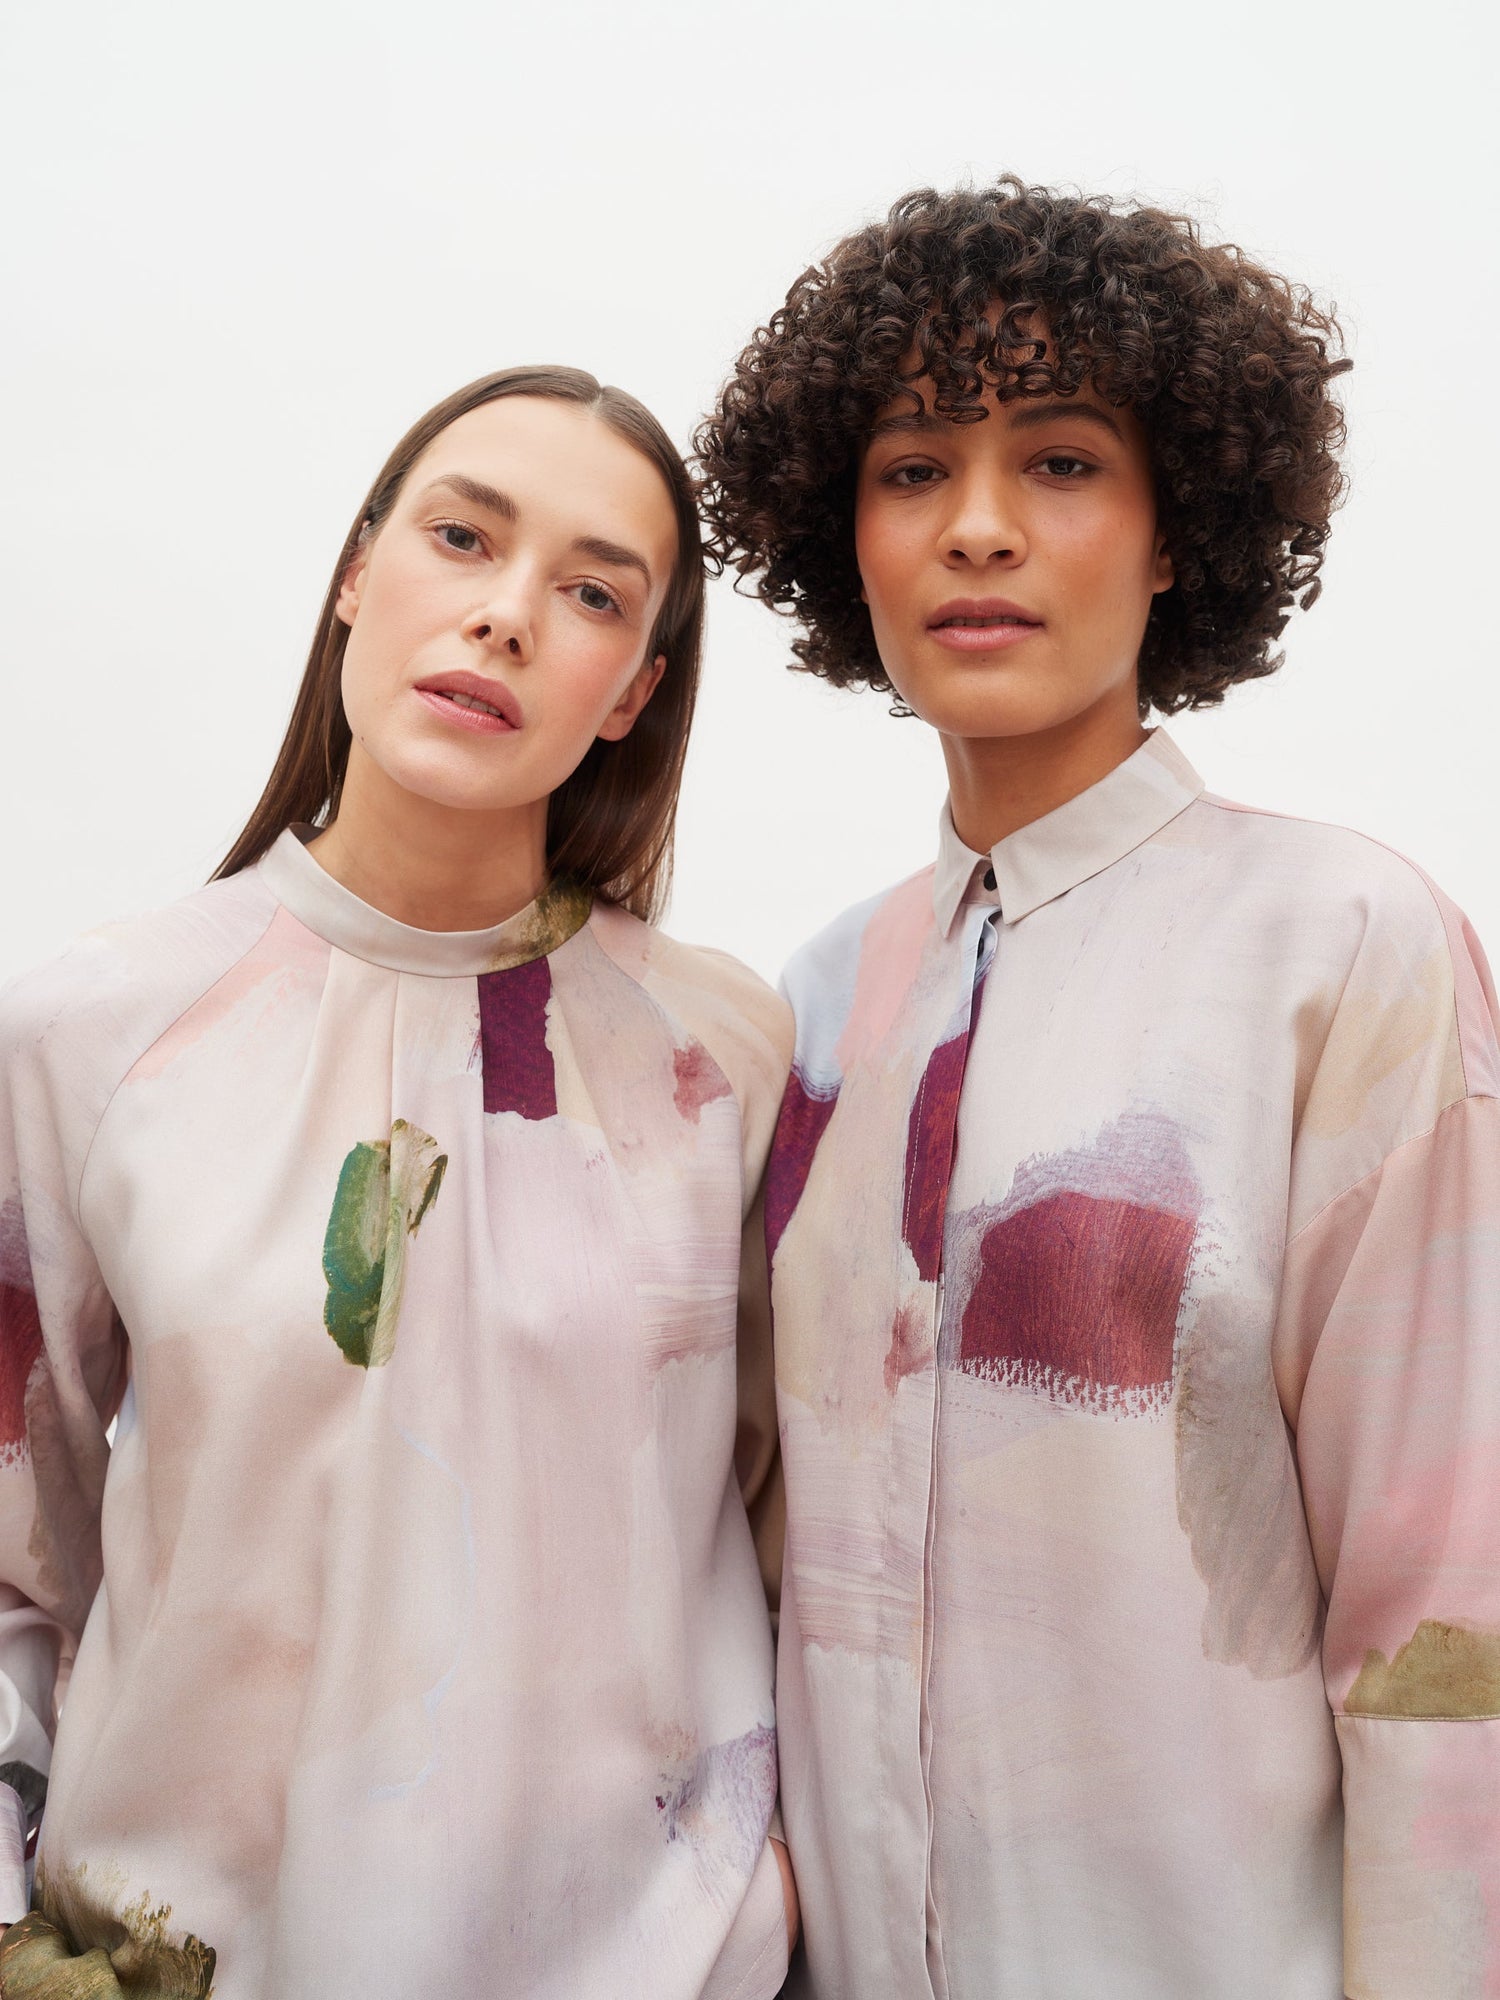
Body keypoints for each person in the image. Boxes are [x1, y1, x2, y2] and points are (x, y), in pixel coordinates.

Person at [696, 180, 1500, 1998]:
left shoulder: (1338, 949)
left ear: (1171, 534)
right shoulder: (810, 1015)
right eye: (913, 470)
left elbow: (1447, 1608)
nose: (978, 526)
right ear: (845, 541)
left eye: (1061, 463)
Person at [0, 365, 797, 1998]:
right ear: (358, 576)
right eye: (462, 538)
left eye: (592, 593)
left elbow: (795, 1543)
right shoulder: (92, 1031)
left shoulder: (727, 1058)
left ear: (633, 692)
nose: (507, 615)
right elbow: (18, 1562)